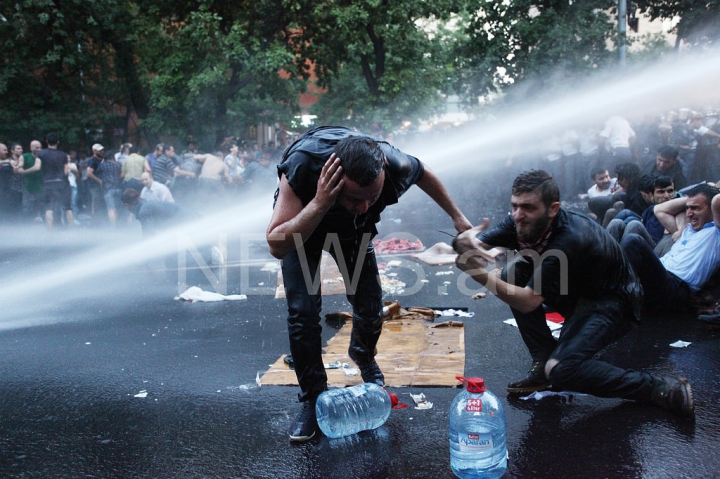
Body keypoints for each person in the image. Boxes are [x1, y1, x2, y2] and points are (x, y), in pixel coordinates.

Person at [266, 126, 472, 441]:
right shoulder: (304, 165)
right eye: (354, 198)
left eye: (372, 197)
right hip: (303, 224)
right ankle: (312, 398)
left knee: (370, 304)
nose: (364, 206)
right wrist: (321, 202)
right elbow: (277, 245)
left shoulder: (394, 164)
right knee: (303, 311)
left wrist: (457, 218)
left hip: (351, 233)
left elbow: (424, 172)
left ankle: (363, 355)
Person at [453, 169, 694, 419]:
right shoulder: (518, 221)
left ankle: (661, 388)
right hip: (577, 290)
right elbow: (475, 245)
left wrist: (477, 273)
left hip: (613, 301)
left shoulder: (572, 236)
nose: (518, 215)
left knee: (563, 370)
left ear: (553, 209)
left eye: (527, 208)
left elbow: (527, 302)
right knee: (513, 272)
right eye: (514, 206)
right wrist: (459, 243)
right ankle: (543, 359)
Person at [620, 183, 720, 314]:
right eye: (687, 208)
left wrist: (708, 194)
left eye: (695, 208)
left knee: (633, 241)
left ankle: (618, 297)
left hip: (676, 289)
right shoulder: (689, 229)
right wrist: (691, 199)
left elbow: (717, 200)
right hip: (662, 278)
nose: (689, 214)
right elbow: (659, 209)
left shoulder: (716, 231)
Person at [36, 133, 74, 230]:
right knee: (67, 208)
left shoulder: (40, 154)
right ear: (58, 142)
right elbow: (65, 172)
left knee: (49, 208)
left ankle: (50, 232)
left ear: (47, 141)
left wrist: (22, 170)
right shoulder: (63, 155)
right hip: (61, 183)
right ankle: (73, 231)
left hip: (48, 183)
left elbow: (37, 167)